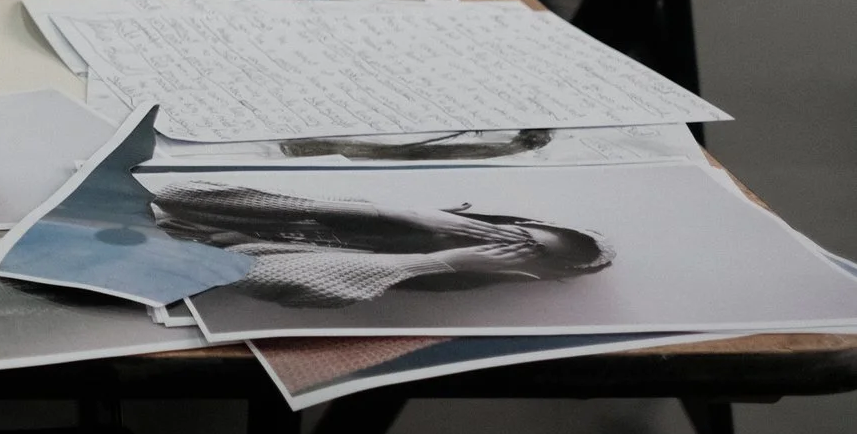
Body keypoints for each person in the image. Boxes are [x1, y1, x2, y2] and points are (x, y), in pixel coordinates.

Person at [148, 181, 611, 307]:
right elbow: (179, 196)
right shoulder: (358, 215)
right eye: (514, 232)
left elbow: (254, 271)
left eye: (522, 251)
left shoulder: (377, 276)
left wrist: (443, 262)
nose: (493, 240)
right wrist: (400, 213)